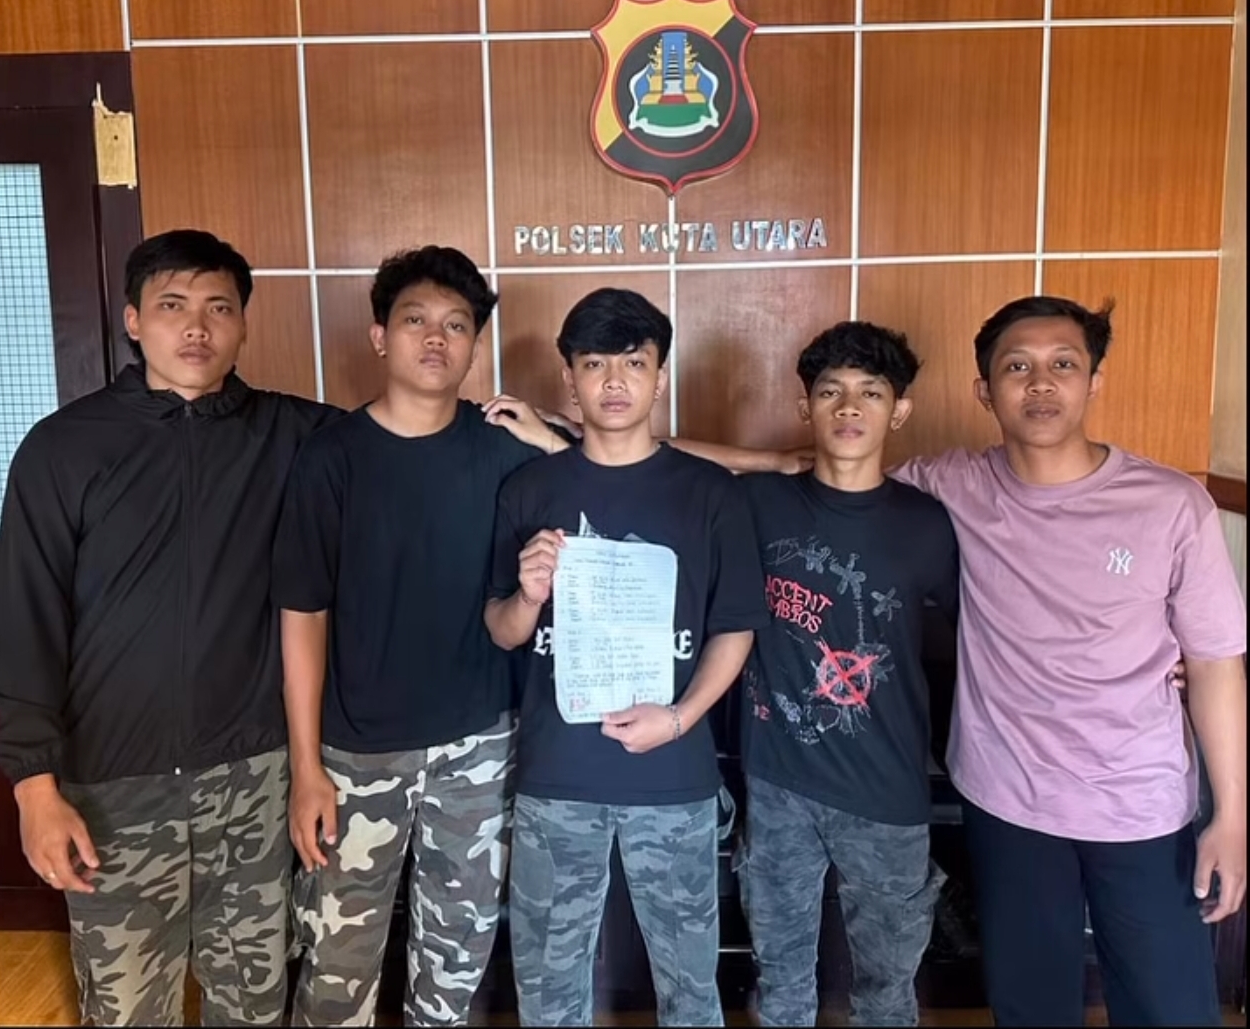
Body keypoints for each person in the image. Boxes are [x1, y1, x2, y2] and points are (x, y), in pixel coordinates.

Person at [0, 229, 340, 1026]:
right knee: (126, 1011)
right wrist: (34, 786)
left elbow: (408, 439)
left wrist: (549, 437)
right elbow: (23, 623)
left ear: (243, 324)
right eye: (173, 306)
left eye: (219, 308)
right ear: (133, 320)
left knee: (253, 1004)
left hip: (252, 781)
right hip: (113, 787)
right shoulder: (63, 449)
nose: (196, 327)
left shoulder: (293, 436)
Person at [891, 295, 1247, 1027]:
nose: (1041, 384)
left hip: (1141, 804)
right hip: (1008, 799)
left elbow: (1215, 664)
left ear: (1094, 382)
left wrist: (1234, 816)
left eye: (1063, 364)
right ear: (985, 391)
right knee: (1031, 1008)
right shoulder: (953, 484)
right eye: (1017, 368)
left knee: (1172, 1009)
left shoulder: (1172, 504)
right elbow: (836, 475)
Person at [271, 246, 568, 1027]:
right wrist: (306, 767)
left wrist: (552, 446)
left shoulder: (508, 450)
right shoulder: (332, 457)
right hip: (354, 756)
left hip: (479, 749)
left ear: (474, 345)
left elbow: (633, 475)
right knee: (336, 970)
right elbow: (302, 613)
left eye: (456, 325)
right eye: (416, 320)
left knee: (455, 966)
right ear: (380, 336)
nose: (437, 338)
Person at [484, 287, 771, 1027]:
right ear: (568, 381)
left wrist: (678, 719)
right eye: (595, 364)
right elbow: (502, 630)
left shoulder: (710, 494)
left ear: (660, 377)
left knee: (690, 992)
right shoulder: (529, 489)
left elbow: (735, 627)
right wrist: (529, 595)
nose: (614, 381)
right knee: (550, 995)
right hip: (557, 777)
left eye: (634, 364)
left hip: (673, 779)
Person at [735, 322, 959, 1027]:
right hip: (779, 785)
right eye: (830, 391)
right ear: (804, 406)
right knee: (781, 983)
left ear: (900, 410)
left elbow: (993, 636)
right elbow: (656, 463)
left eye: (871, 392)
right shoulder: (759, 504)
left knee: (887, 993)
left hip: (887, 791)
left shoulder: (929, 524)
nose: (850, 406)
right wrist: (770, 460)